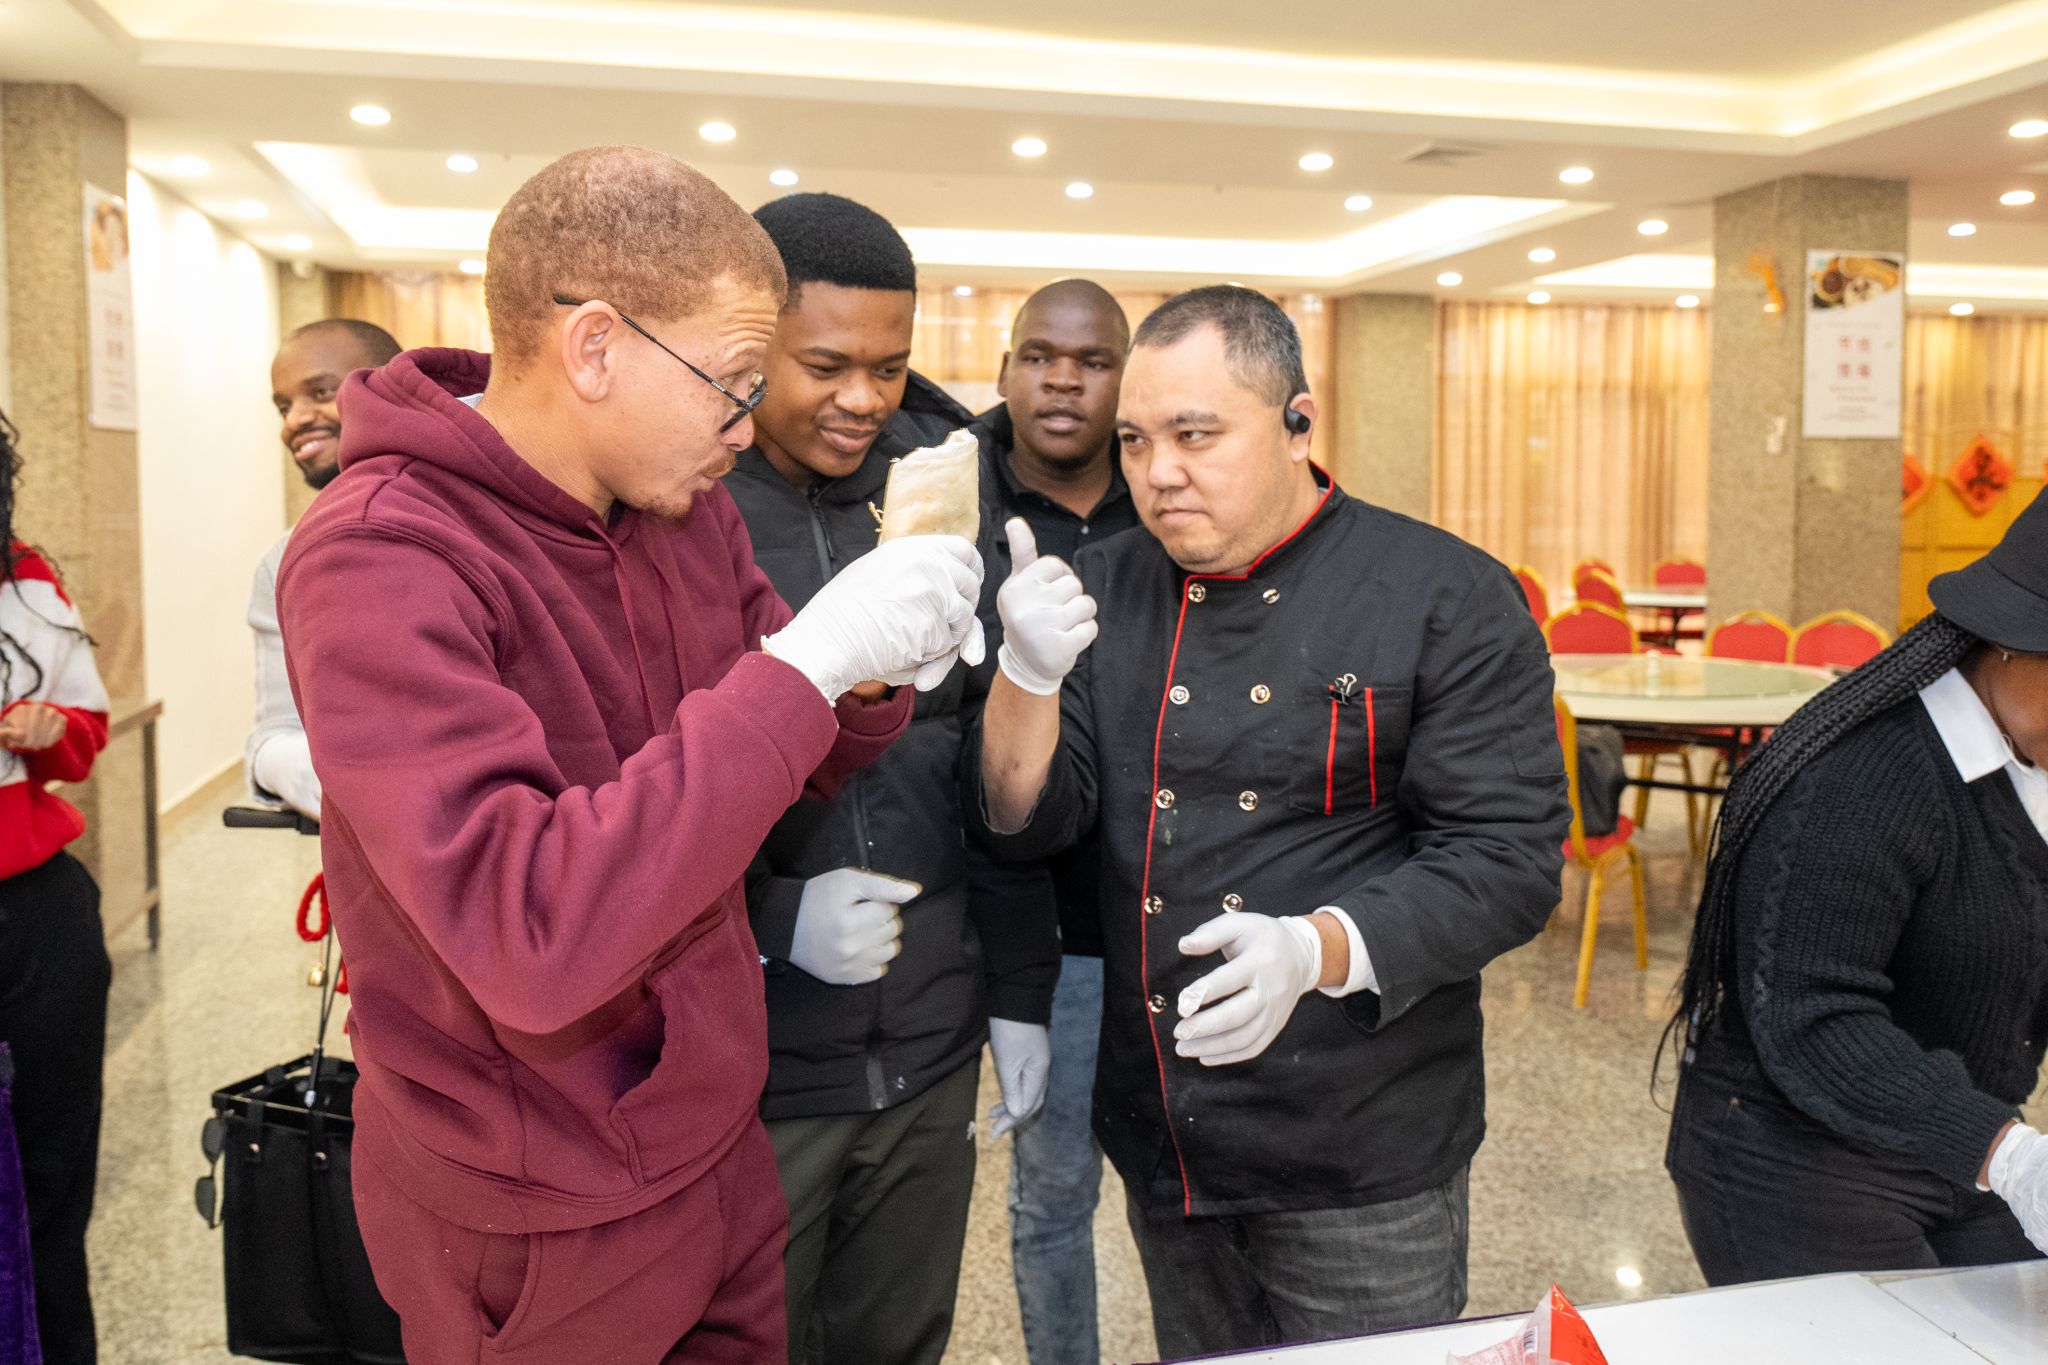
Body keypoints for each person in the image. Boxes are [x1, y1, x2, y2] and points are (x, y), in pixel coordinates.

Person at [277, 147, 984, 1363]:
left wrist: (873, 666)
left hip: (714, 1134)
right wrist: (810, 663)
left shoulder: (678, 506)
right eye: (730, 382)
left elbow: (780, 745)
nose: (744, 424)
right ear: (595, 347)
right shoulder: (380, 557)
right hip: (534, 1193)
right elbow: (532, 931)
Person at [970, 285, 1568, 1356]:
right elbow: (1026, 824)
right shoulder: (1107, 585)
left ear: (1298, 423)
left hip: (1358, 1141)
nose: (1158, 472)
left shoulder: (1443, 593)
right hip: (1165, 1124)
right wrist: (1024, 673)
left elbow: (1507, 859)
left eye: (1194, 435)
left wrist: (1314, 948)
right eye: (1136, 441)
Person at [724, 191, 1057, 1365]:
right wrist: (769, 920)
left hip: (927, 1042)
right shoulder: (682, 511)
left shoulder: (945, 491)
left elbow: (980, 772)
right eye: (824, 366)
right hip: (752, 1071)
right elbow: (629, 787)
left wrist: (1015, 987)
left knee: (898, 1343)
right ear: (747, 342)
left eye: (888, 366)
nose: (863, 398)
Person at [1666, 487, 2048, 1283]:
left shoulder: (2028, 754)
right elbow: (1813, 1015)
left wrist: (1993, 1147)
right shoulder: (1858, 778)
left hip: (1952, 1135)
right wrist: (2008, 1156)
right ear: (2012, 640)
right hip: (1790, 1154)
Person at [970, 278, 1138, 1365]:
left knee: (1192, 1192)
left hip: (1180, 918)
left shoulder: (1171, 499)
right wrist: (1010, 985)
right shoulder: (944, 494)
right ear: (1005, 371)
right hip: (1042, 931)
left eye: (1092, 361)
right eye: (1039, 356)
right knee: (1053, 1196)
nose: (1063, 380)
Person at [0, 409, 112, 1365]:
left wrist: (50, 728)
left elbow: (85, 732)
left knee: (50, 1177)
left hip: (35, 912)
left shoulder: (27, 582)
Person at [246, 318, 402, 820]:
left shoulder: (484, 512)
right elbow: (274, 738)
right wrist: (373, 793)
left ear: (395, 383)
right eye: (283, 406)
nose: (294, 420)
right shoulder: (284, 562)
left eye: (320, 392)